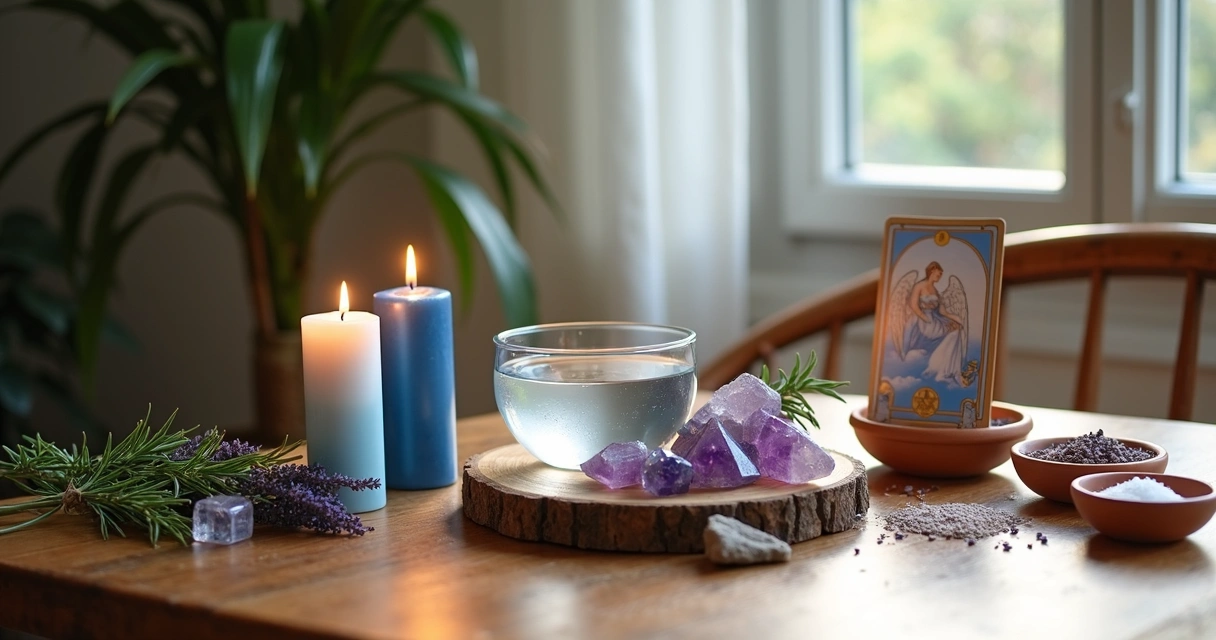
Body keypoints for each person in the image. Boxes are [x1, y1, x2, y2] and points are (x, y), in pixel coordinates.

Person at [901, 262, 968, 386]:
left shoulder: (936, 291)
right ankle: (941, 370)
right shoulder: (919, 286)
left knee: (956, 330)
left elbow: (943, 311)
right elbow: (913, 305)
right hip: (924, 322)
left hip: (934, 321)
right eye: (939, 273)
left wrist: (956, 318)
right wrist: (924, 318)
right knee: (954, 332)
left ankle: (943, 369)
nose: (940, 276)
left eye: (941, 274)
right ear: (932, 271)